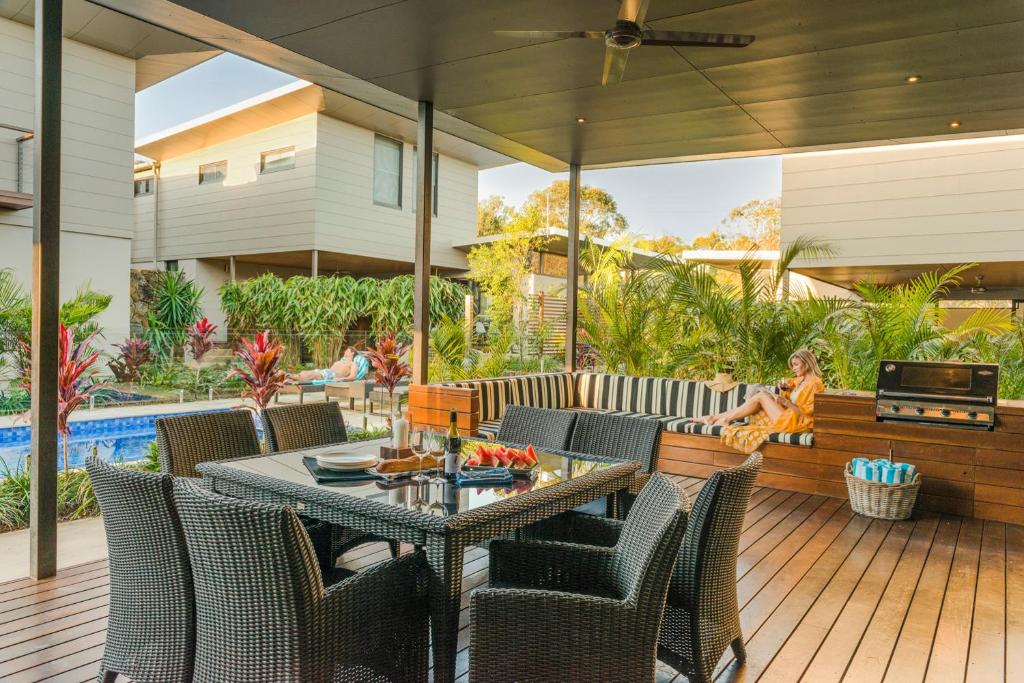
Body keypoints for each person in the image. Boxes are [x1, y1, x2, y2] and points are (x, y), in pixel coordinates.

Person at [696, 349, 826, 455]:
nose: (793, 368)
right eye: (792, 365)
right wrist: (783, 387)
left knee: (761, 396)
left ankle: (719, 418)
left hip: (797, 423)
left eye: (796, 364)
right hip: (788, 416)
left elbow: (808, 413)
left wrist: (786, 402)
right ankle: (715, 418)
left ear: (807, 363)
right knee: (759, 395)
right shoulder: (800, 380)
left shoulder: (815, 384)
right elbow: (789, 386)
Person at [287, 346, 370, 383]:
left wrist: (341, 379)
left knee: (309, 375)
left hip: (331, 375)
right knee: (305, 372)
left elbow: (352, 377)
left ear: (352, 353)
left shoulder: (353, 364)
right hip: (327, 372)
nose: (345, 351)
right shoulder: (341, 361)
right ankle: (290, 376)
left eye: (347, 351)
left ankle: (288, 376)